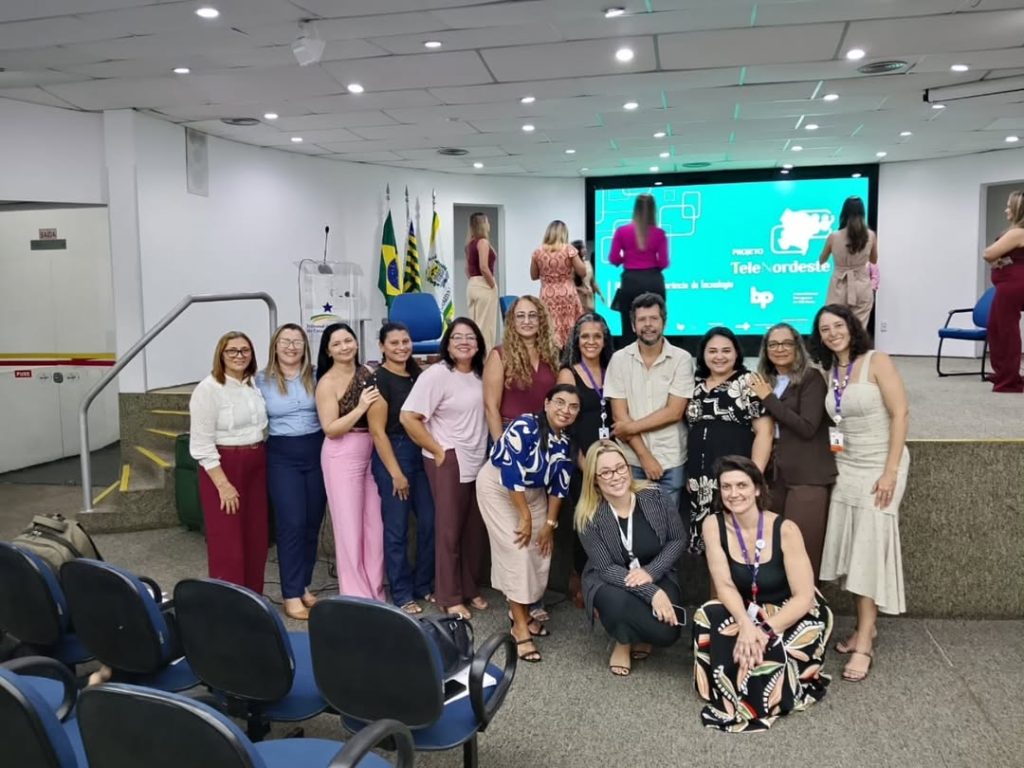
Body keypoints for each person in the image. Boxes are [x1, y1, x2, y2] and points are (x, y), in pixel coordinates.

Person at [694, 455, 833, 732]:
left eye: (742, 485)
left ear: (757, 488)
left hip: (791, 610)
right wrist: (746, 625)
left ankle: (760, 690)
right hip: (746, 607)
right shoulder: (713, 525)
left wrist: (764, 631)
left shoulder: (785, 529)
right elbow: (724, 585)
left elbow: (803, 596)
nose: (734, 494)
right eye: (726, 487)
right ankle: (730, 683)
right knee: (707, 614)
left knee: (769, 650)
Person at [811, 304, 909, 682]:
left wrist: (890, 471)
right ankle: (864, 627)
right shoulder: (831, 371)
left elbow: (900, 414)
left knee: (868, 548)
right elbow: (837, 422)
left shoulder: (876, 361)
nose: (833, 333)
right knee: (855, 550)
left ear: (852, 327)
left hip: (881, 464)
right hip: (848, 467)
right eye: (825, 329)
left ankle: (865, 641)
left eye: (838, 325)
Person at [476, 384, 581, 663]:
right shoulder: (525, 425)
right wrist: (525, 517)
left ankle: (520, 611)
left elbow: (559, 486)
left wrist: (549, 524)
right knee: (518, 553)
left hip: (533, 494)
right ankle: (520, 627)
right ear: (546, 403)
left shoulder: (566, 442)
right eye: (560, 402)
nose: (566, 410)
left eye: (573, 407)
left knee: (539, 553)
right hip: (500, 488)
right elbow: (511, 473)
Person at [401, 318, 490, 620]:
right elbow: (408, 417)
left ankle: (469, 587)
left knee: (473, 531)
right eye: (457, 337)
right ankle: (449, 595)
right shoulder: (437, 375)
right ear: (448, 345)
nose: (464, 342)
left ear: (479, 344)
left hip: (477, 458)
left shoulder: (481, 374)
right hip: (448, 458)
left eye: (470, 337)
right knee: (449, 531)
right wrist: (438, 450)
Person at [575, 441, 684, 677]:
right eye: (606, 472)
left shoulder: (656, 496)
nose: (616, 476)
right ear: (594, 479)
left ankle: (640, 633)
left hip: (656, 571)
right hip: (611, 579)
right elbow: (605, 568)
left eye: (620, 468)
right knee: (618, 603)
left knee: (668, 631)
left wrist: (651, 572)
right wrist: (652, 593)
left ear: (628, 467)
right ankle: (622, 641)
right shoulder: (588, 516)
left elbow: (677, 539)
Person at [747, 323, 836, 578]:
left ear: (798, 347)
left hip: (807, 476)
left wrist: (768, 398)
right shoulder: (765, 381)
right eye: (773, 344)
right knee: (773, 547)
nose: (780, 349)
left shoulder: (811, 378)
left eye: (787, 343)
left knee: (804, 547)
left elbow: (807, 427)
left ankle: (808, 600)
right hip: (774, 476)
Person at [189, 331, 268, 594]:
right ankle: (229, 603)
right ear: (220, 355)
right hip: (224, 468)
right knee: (228, 543)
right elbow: (201, 444)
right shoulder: (208, 389)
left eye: (245, 350)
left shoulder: (252, 384)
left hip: (256, 464)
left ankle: (254, 599)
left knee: (256, 538)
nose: (239, 355)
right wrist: (223, 485)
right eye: (232, 351)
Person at [255, 324, 325, 620]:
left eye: (297, 341)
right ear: (275, 345)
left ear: (305, 347)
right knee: (291, 523)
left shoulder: (317, 376)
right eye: (285, 341)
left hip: (316, 450)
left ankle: (303, 585)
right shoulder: (260, 380)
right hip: (282, 455)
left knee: (311, 523)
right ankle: (290, 594)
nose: (291, 347)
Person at [685, 326, 773, 554]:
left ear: (736, 353)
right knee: (708, 545)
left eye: (726, 350)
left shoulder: (748, 382)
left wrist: (753, 477)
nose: (719, 356)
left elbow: (765, 432)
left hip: (735, 478)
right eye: (712, 351)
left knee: (736, 542)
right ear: (703, 354)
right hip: (699, 481)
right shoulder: (695, 385)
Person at [367, 322, 435, 614]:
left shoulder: (417, 375)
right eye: (394, 343)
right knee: (397, 529)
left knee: (430, 521)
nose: (401, 347)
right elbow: (377, 432)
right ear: (382, 346)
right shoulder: (378, 380)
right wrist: (396, 473)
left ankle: (423, 584)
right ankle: (402, 592)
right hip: (394, 453)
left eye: (405, 341)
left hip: (420, 451)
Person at [605, 292, 694, 513]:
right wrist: (645, 457)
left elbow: (674, 412)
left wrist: (629, 428)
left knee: (667, 526)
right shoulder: (619, 359)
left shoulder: (681, 359)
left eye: (654, 318)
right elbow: (619, 416)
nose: (648, 325)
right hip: (631, 461)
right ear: (633, 325)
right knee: (635, 525)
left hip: (671, 459)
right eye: (642, 319)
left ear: (664, 322)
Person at [315, 323, 384, 600]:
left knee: (375, 526)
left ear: (356, 342)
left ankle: (376, 591)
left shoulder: (367, 372)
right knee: (349, 529)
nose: (344, 347)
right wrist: (360, 407)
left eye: (348, 340)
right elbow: (330, 428)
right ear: (328, 351)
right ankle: (356, 596)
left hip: (372, 451)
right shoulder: (326, 383)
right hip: (342, 454)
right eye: (337, 343)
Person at [556, 313, 615, 606]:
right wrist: (584, 465)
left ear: (605, 340)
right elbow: (565, 424)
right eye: (585, 337)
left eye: (597, 336)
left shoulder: (612, 370)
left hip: (611, 462)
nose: (591, 342)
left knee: (608, 523)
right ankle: (579, 576)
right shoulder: (569, 374)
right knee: (585, 523)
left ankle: (604, 578)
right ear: (576, 341)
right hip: (581, 460)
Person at [608, 194, 669, 346]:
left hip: (631, 282)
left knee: (629, 327)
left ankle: (630, 358)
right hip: (654, 281)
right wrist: (649, 261)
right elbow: (664, 262)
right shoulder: (660, 233)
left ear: (635, 209)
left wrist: (628, 259)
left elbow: (613, 258)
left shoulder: (622, 231)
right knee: (656, 323)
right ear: (653, 210)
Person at [982, 189, 1024, 393]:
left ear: (1018, 210)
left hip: (1013, 285)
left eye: (1009, 206)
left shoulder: (1018, 233)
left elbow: (988, 253)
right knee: (997, 328)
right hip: (1009, 284)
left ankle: (1009, 379)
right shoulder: (1016, 232)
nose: (1005, 210)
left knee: (1005, 331)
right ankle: (1005, 373)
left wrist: (997, 258)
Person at [819, 196, 877, 331]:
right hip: (862, 285)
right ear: (863, 213)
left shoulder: (834, 236)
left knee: (835, 325)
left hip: (839, 286)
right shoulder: (871, 235)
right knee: (858, 329)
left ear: (843, 213)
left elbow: (822, 260)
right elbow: (874, 260)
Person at [530, 220, 586, 347]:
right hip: (567, 294)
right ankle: (568, 355)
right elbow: (582, 272)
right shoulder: (569, 250)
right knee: (570, 328)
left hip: (548, 295)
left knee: (550, 328)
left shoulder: (538, 252)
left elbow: (534, 276)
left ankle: (552, 354)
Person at [465, 212, 499, 352]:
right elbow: (484, 267)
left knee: (475, 326)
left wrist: (475, 282)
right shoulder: (483, 242)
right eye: (487, 222)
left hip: (472, 284)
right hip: (484, 284)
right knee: (486, 327)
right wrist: (492, 285)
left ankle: (473, 355)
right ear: (483, 224)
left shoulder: (469, 244)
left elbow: (467, 269)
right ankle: (485, 359)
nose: (489, 224)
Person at [572, 239, 604, 313]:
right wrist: (581, 290)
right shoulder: (572, 266)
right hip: (577, 299)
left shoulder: (588, 263)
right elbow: (569, 284)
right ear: (577, 250)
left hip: (589, 298)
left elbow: (593, 281)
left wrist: (600, 293)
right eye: (583, 248)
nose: (585, 250)